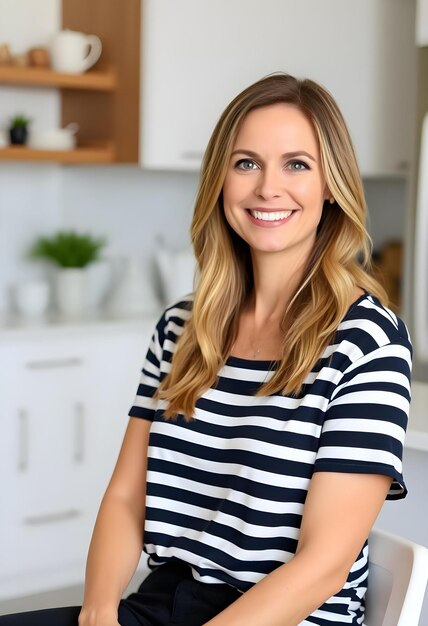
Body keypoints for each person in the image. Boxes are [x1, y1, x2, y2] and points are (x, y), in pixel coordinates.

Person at [0, 73, 412, 626]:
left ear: (331, 184)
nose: (268, 188)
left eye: (297, 164)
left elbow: (323, 566)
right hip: (163, 604)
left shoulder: (368, 340)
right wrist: (98, 612)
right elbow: (127, 497)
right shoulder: (183, 328)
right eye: (246, 163)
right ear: (221, 180)